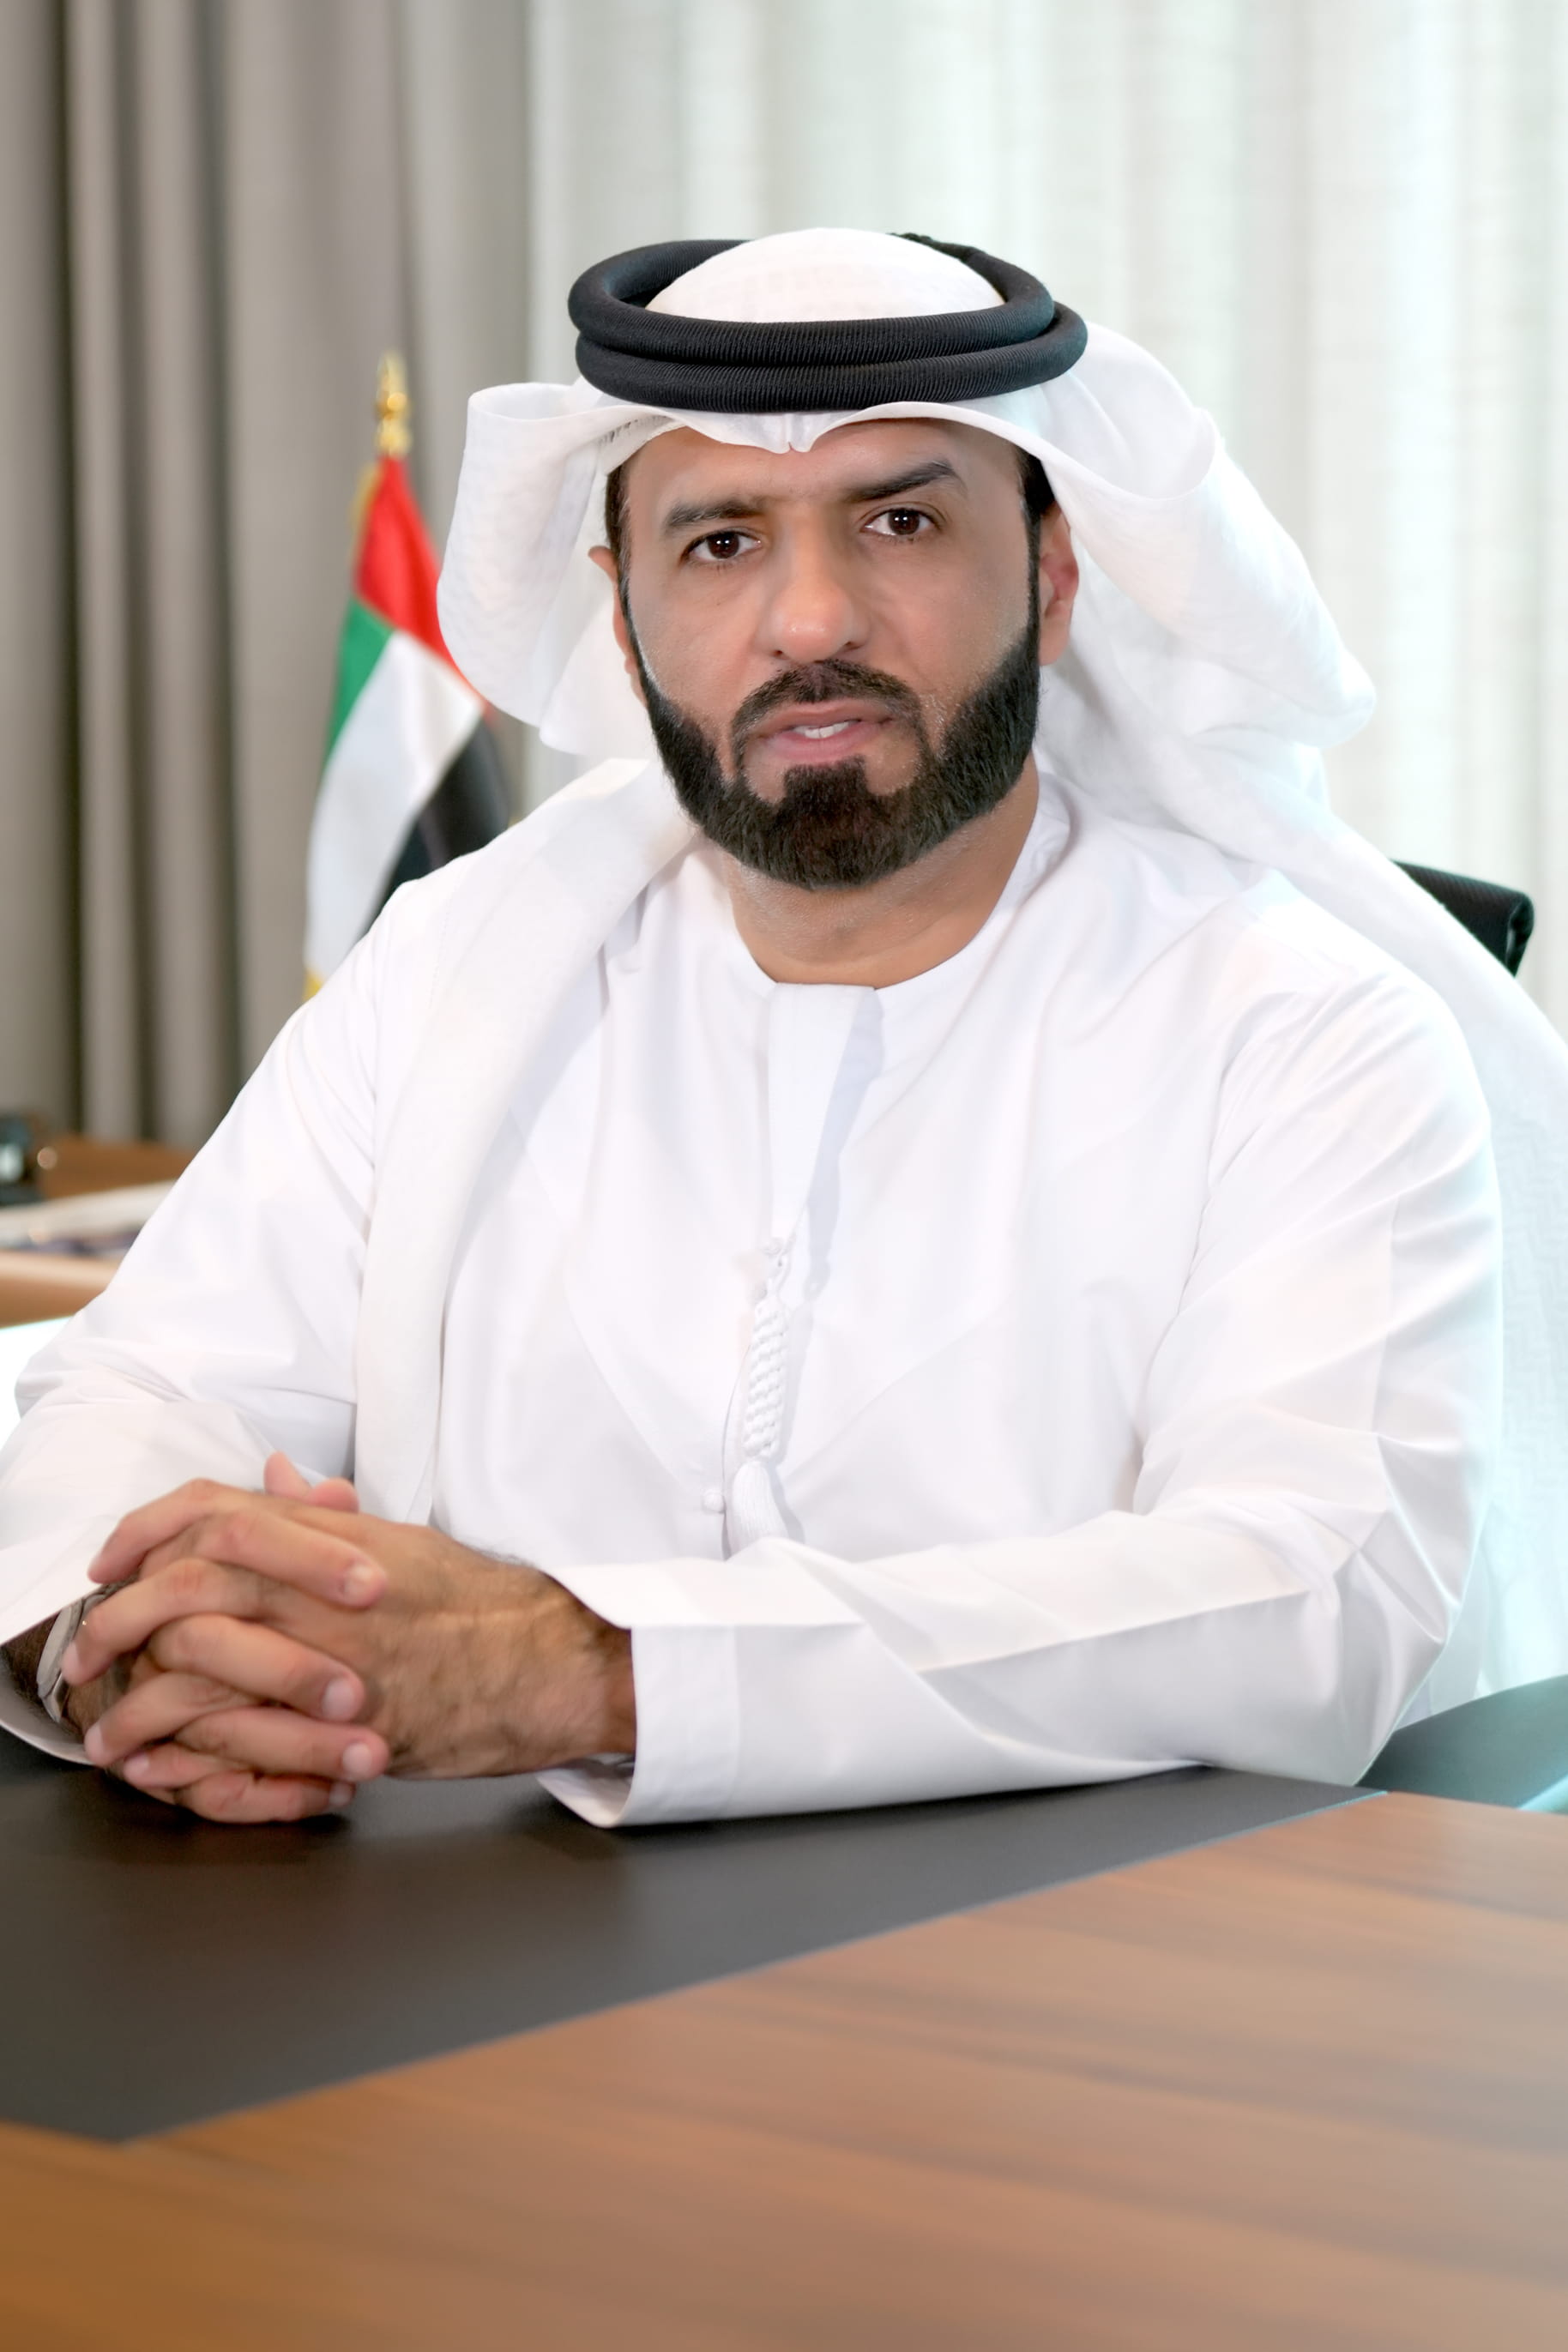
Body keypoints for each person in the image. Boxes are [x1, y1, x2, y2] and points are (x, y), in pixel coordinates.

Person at [2, 228, 1565, 1829]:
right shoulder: (461, 964)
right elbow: (148, 1385)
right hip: (460, 1924)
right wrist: (135, 1646)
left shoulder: (1308, 1030)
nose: (811, 618)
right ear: (625, 621)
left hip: (1075, 1937)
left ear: (1054, 575)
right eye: (722, 540)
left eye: (901, 521)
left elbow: (1304, 1595)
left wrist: (588, 1670)